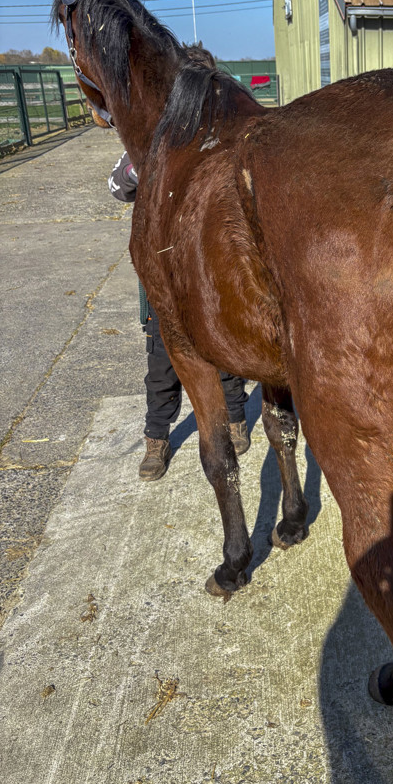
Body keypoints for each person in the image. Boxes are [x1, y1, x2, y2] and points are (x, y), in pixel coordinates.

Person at [107, 46, 250, 481]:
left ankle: (236, 418)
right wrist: (145, 165)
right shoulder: (157, 141)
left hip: (211, 274)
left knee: (227, 349)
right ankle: (157, 437)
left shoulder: (224, 142)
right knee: (162, 360)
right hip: (166, 280)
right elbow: (116, 185)